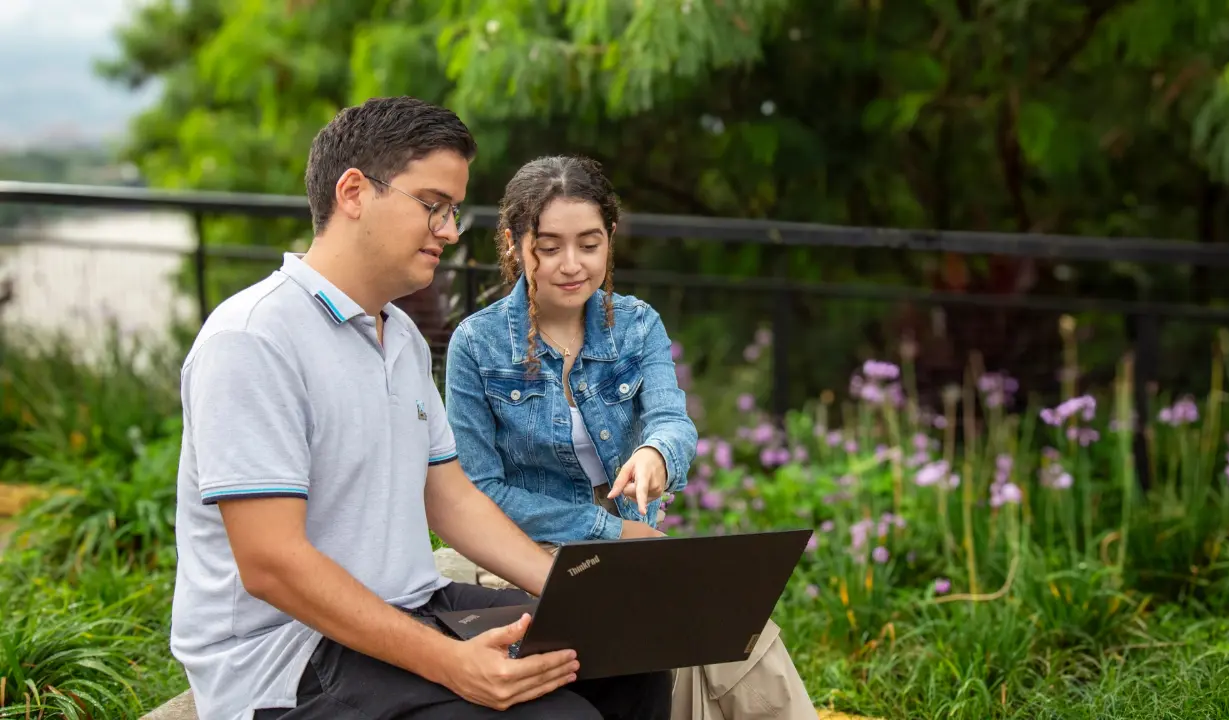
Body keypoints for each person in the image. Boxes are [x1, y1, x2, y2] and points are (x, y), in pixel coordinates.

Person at [169, 97, 672, 720]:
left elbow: (451, 498)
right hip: (285, 660)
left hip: (414, 605)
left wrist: (568, 590)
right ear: (353, 192)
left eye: (454, 210)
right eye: (433, 206)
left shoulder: (400, 336)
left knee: (629, 648)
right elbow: (272, 564)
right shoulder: (253, 340)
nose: (451, 231)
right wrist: (452, 664)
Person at [444, 155, 819, 720]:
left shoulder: (638, 324)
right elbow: (479, 490)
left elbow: (673, 420)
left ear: (610, 238)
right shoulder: (475, 345)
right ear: (514, 242)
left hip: (626, 546)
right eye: (549, 246)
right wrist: (611, 528)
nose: (571, 265)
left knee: (737, 630)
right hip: (517, 549)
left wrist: (654, 454)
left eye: (589, 244)